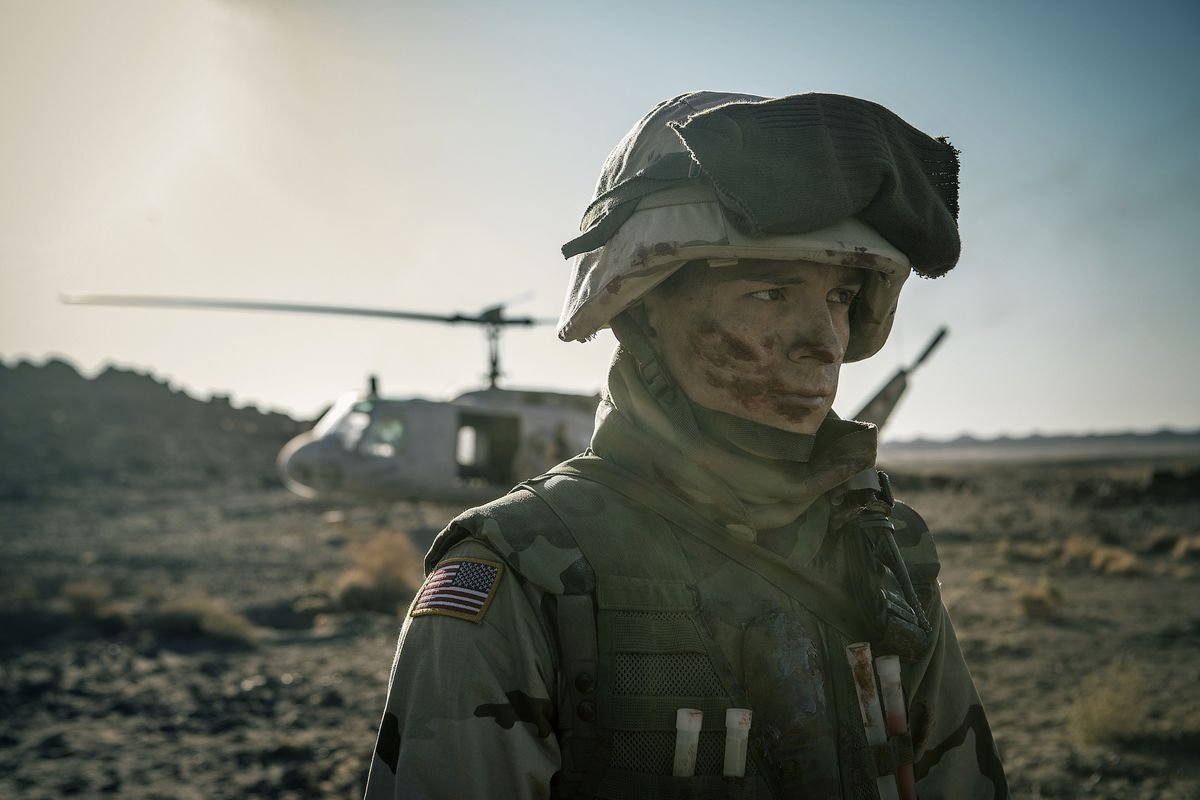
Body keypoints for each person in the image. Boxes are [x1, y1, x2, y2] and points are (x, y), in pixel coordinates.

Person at [364, 91, 1009, 799]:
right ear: (643, 307)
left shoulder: (882, 550)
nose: (824, 340)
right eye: (769, 294)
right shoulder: (523, 574)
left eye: (837, 298)